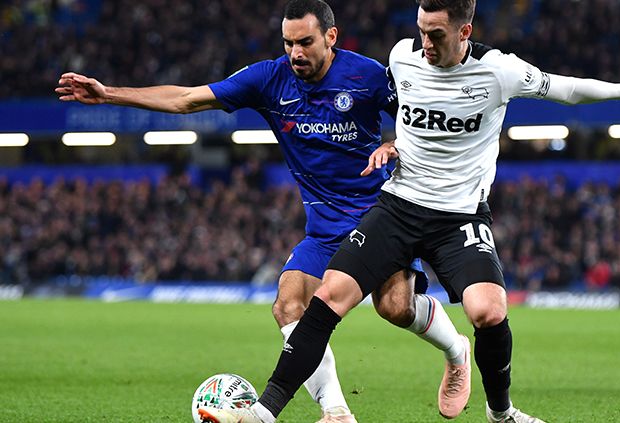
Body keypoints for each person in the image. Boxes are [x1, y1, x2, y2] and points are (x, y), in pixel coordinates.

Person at [196, 0, 620, 422]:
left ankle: (501, 414)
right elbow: (400, 112)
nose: (425, 43)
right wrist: (391, 145)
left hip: (459, 216)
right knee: (328, 297)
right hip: (398, 206)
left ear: (464, 32)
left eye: (436, 34)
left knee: (487, 311)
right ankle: (264, 413)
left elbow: (563, 89)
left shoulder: (499, 71)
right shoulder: (402, 58)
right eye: (421, 30)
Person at [56, 1, 473, 422]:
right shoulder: (269, 79)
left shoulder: (365, 75)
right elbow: (186, 99)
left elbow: (423, 115)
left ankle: (457, 350)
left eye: (305, 42)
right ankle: (336, 411)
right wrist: (110, 94)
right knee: (289, 304)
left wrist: (396, 144)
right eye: (288, 43)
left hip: (379, 218)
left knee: (395, 308)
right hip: (324, 228)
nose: (295, 53)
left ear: (330, 37)